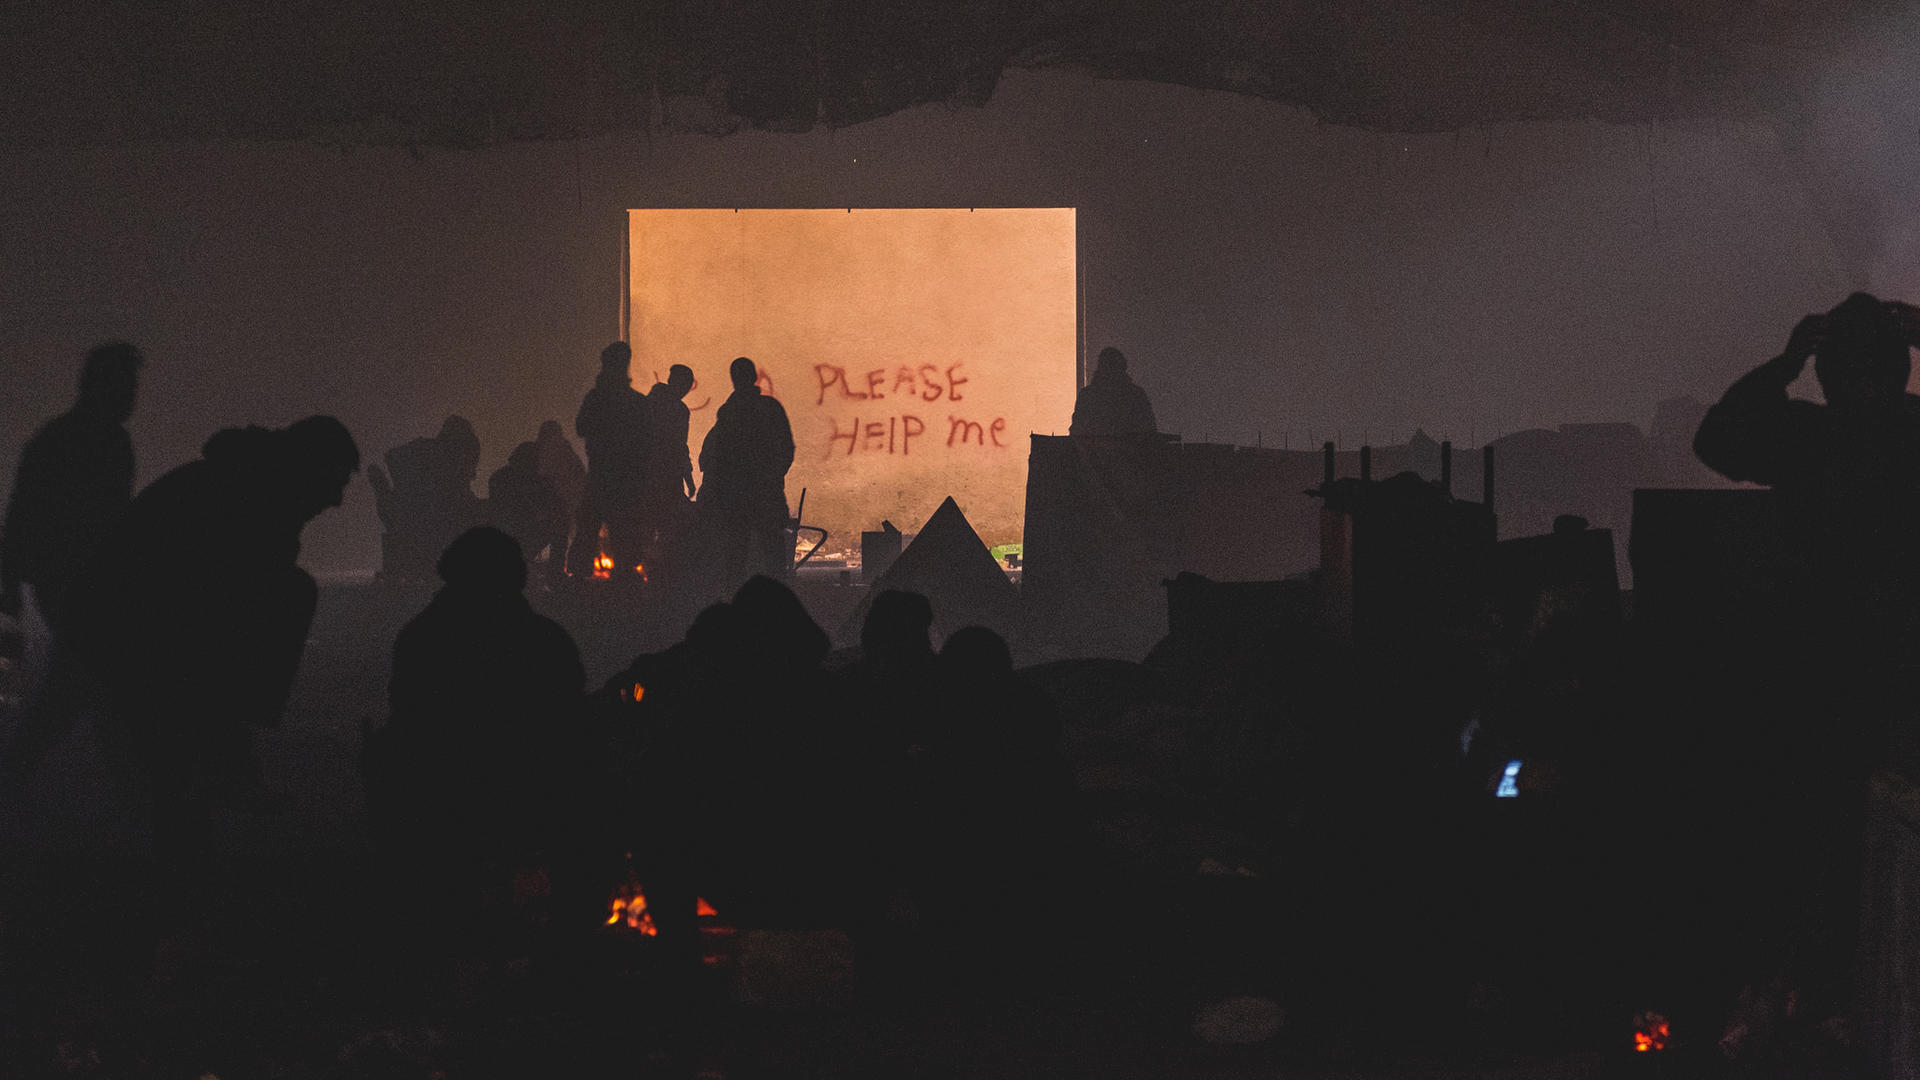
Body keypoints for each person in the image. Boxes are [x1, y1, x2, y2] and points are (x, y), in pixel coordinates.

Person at [1692, 292, 1920, 1055]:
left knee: (1805, 838)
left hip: (1814, 669)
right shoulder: (1912, 434)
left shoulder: (1803, 436)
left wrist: (1782, 364)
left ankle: (1798, 992)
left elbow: (1717, 438)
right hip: (1900, 667)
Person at [76, 416, 359, 877]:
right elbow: (208, 616)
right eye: (334, 482)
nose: (335, 500)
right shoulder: (246, 503)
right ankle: (185, 882)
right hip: (130, 629)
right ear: (311, 468)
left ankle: (188, 868)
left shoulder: (243, 488)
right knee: (181, 750)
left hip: (132, 626)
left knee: (181, 760)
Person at [367, 526, 588, 939]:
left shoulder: (421, 638)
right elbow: (572, 729)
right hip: (526, 800)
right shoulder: (544, 642)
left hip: (434, 800)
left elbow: (407, 721)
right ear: (516, 577)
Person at [0, 342, 143, 771]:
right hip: (81, 582)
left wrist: (12, 587)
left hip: (64, 581)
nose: (131, 397)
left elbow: (21, 514)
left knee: (87, 682)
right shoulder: (108, 443)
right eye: (125, 386)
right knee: (92, 683)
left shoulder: (60, 439)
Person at [698, 357, 794, 585]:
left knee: (736, 555)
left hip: (736, 496)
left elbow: (718, 456)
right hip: (766, 492)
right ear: (754, 377)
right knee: (773, 554)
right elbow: (786, 448)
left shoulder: (728, 413)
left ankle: (737, 604)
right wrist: (774, 477)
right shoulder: (771, 409)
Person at [367, 415, 484, 583]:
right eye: (471, 463)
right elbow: (457, 501)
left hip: (408, 515)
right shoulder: (444, 466)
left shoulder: (423, 452)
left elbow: (391, 457)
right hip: (426, 521)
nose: (473, 473)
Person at [571, 342, 652, 577]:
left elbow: (581, 427)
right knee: (624, 537)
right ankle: (624, 586)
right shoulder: (636, 402)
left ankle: (578, 584)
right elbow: (647, 443)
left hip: (601, 476)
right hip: (626, 481)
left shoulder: (596, 398)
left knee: (587, 533)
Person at [642, 364, 699, 575]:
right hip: (668, 477)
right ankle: (663, 571)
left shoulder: (649, 402)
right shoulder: (678, 410)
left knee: (647, 522)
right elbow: (679, 446)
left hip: (647, 475)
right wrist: (689, 478)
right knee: (668, 525)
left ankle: (641, 569)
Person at [486, 440, 569, 573]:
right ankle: (555, 574)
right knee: (560, 525)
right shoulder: (526, 481)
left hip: (511, 534)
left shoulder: (499, 477)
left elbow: (555, 506)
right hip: (515, 534)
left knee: (560, 523)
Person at [535, 420, 587, 584]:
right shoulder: (562, 451)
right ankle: (556, 573)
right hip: (553, 504)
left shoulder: (541, 451)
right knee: (559, 535)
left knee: (559, 535)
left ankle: (555, 572)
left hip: (553, 504)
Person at [1069, 346, 1158, 436]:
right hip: (1129, 448)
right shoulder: (1136, 394)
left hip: (1095, 449)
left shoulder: (1087, 395)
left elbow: (1077, 431)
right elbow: (1149, 430)